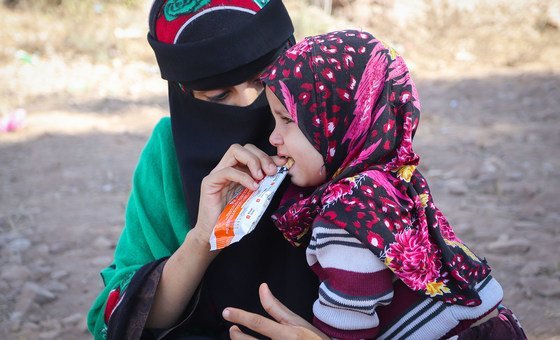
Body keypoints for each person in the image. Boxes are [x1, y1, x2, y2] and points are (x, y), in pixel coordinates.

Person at [256, 30, 528, 339]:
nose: (273, 138)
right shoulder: (389, 179)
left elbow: (346, 330)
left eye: (288, 120)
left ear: (339, 118)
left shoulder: (344, 214)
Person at [87, 0, 324, 338]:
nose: (249, 105)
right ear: (184, 94)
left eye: (263, 81)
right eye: (218, 96)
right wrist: (202, 238)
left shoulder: (338, 133)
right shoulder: (169, 151)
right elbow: (116, 318)